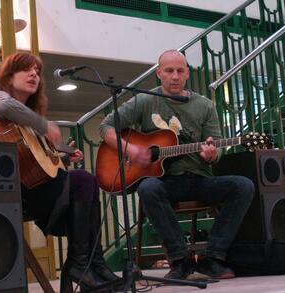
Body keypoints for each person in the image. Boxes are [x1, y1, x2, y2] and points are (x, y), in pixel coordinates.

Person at [99, 49, 255, 280]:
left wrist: (212, 154)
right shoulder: (144, 100)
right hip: (166, 182)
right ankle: (180, 260)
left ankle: (213, 258)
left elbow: (218, 147)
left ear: (187, 74)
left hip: (200, 179)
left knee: (243, 186)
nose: (174, 76)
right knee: (148, 188)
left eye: (180, 71)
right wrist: (131, 149)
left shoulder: (204, 105)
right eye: (169, 71)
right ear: (159, 73)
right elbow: (106, 126)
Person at [0, 52, 121, 292]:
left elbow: (33, 163)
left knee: (85, 181)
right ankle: (82, 265)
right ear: (9, 77)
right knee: (84, 181)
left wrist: (61, 158)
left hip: (27, 188)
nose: (34, 74)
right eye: (26, 70)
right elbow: (1, 105)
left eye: (37, 72)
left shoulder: (25, 120)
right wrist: (44, 124)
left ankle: (92, 264)